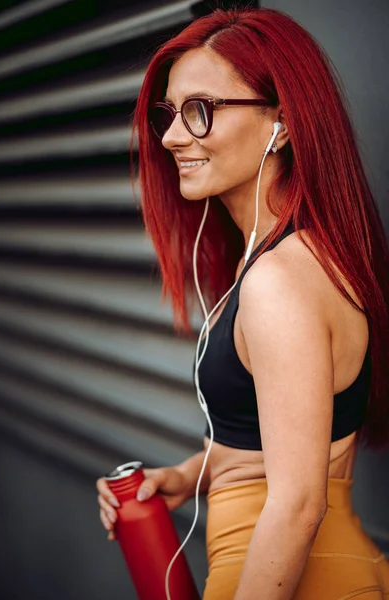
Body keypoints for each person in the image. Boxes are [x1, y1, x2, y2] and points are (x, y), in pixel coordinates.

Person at [96, 7, 389, 599]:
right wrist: (186, 476)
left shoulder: (280, 279)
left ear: (280, 124)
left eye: (200, 111)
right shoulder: (277, 258)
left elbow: (299, 505)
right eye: (168, 114)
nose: (173, 136)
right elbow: (271, 443)